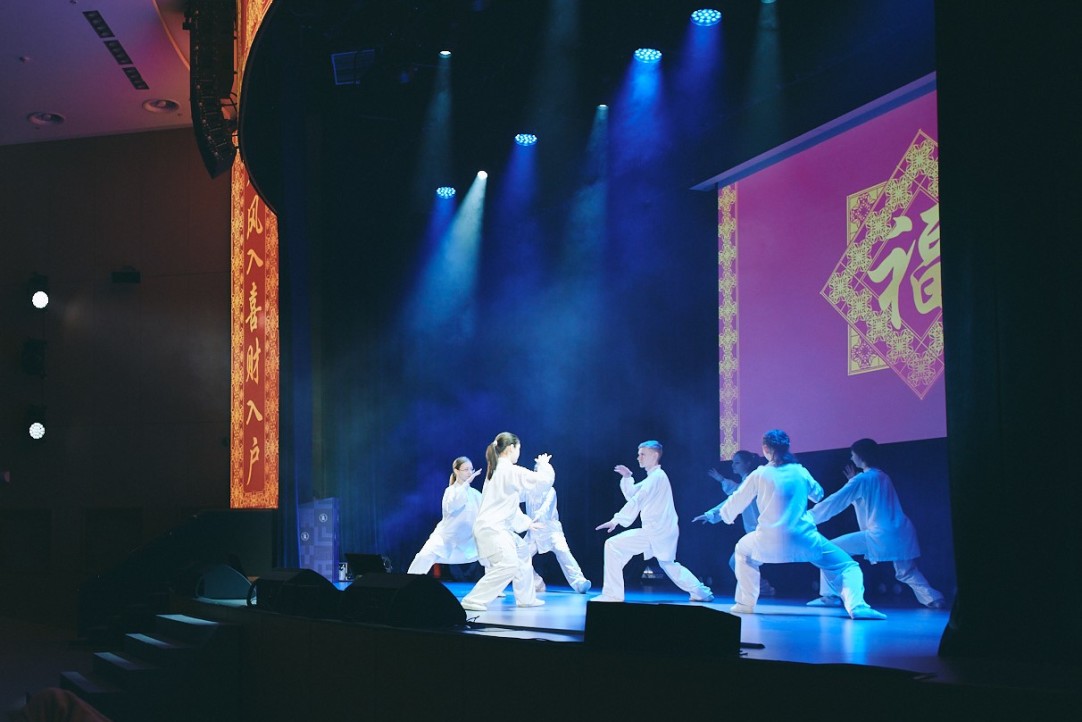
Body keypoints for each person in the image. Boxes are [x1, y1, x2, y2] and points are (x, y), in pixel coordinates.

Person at [694, 429, 886, 620]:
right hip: (804, 538)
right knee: (847, 566)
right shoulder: (800, 471)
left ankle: (746, 603)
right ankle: (857, 605)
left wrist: (725, 516)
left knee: (742, 551)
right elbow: (818, 495)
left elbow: (735, 502)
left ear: (765, 448)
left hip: (767, 540)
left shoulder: (760, 474)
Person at [807, 438, 946, 609]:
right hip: (902, 532)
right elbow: (869, 502)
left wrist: (807, 518)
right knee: (906, 572)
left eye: (852, 455)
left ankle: (830, 596)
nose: (851, 459)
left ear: (860, 456)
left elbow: (835, 502)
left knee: (828, 550)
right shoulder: (882, 476)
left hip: (880, 534)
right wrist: (854, 482)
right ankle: (933, 598)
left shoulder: (862, 480)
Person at [593, 440, 713, 603]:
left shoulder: (657, 477)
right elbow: (634, 495)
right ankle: (701, 592)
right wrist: (628, 477)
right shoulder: (654, 477)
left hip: (656, 531)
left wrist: (617, 520)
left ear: (655, 455)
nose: (638, 458)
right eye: (638, 454)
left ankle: (612, 594)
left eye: (642, 454)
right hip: (660, 531)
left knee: (613, 545)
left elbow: (637, 499)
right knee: (668, 564)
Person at [460, 432, 555, 611]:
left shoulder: (495, 471)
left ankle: (526, 598)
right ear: (511, 448)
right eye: (518, 449)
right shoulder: (508, 470)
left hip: (493, 528)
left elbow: (506, 505)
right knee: (508, 565)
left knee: (522, 551)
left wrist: (526, 523)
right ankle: (473, 600)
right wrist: (544, 465)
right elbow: (543, 482)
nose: (518, 453)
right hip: (493, 529)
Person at [704, 450, 776, 596]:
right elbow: (736, 494)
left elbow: (735, 497)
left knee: (737, 562)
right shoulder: (747, 481)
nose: (733, 465)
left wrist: (711, 514)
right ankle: (762, 588)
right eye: (733, 462)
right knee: (739, 562)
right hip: (756, 532)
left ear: (748, 463)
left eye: (737, 462)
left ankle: (760, 589)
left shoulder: (753, 480)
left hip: (762, 532)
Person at [406, 457, 483, 575]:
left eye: (471, 469)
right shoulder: (450, 491)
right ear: (456, 471)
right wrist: (466, 484)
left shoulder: (476, 495)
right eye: (466, 469)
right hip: (446, 539)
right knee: (424, 556)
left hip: (468, 540)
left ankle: (494, 588)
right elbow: (454, 504)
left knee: (491, 555)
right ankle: (408, 584)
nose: (469, 472)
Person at [524, 485, 592, 593]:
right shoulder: (528, 490)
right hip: (534, 530)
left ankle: (579, 582)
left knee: (563, 552)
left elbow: (546, 505)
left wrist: (537, 516)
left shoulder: (549, 490)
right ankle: (537, 583)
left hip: (551, 530)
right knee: (520, 556)